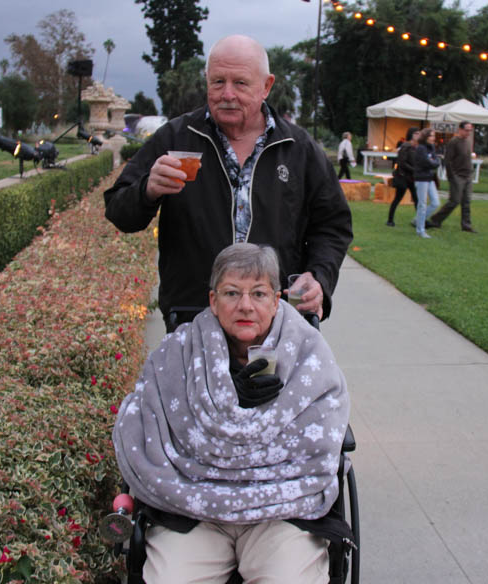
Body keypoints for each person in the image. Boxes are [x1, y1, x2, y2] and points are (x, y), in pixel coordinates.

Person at [113, 243, 351, 584]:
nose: (245, 305)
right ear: (212, 301)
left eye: (258, 293)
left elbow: (325, 427)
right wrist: (218, 391)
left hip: (281, 506)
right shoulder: (177, 351)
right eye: (231, 293)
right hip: (193, 502)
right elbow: (143, 413)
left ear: (276, 299)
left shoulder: (309, 353)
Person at [103, 35, 352, 331]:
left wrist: (319, 276)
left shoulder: (298, 148)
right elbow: (119, 211)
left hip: (278, 321)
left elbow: (333, 224)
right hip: (193, 318)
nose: (227, 94)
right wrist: (147, 189)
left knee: (272, 379)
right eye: (218, 82)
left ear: (266, 86)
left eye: (241, 83)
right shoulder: (175, 138)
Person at [426, 121, 476, 233]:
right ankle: (436, 220)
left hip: (467, 175)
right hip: (457, 176)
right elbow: (448, 161)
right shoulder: (454, 142)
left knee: (467, 201)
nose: (468, 132)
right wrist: (452, 176)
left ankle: (466, 225)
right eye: (466, 130)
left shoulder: (467, 142)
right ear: (460, 129)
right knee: (454, 200)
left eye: (470, 130)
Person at [386, 127, 420, 226]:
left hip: (411, 177)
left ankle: (419, 221)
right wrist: (414, 169)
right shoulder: (406, 146)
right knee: (398, 199)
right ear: (411, 135)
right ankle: (390, 220)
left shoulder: (415, 147)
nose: (418, 135)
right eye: (416, 133)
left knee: (416, 199)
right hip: (404, 177)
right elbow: (402, 162)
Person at [412, 128, 441, 238]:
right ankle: (420, 230)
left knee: (435, 202)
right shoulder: (421, 148)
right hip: (421, 178)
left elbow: (435, 160)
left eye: (434, 136)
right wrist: (434, 162)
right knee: (422, 204)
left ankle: (417, 220)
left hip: (430, 178)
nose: (433, 138)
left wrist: (435, 162)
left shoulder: (431, 147)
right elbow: (428, 162)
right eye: (431, 136)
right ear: (426, 137)